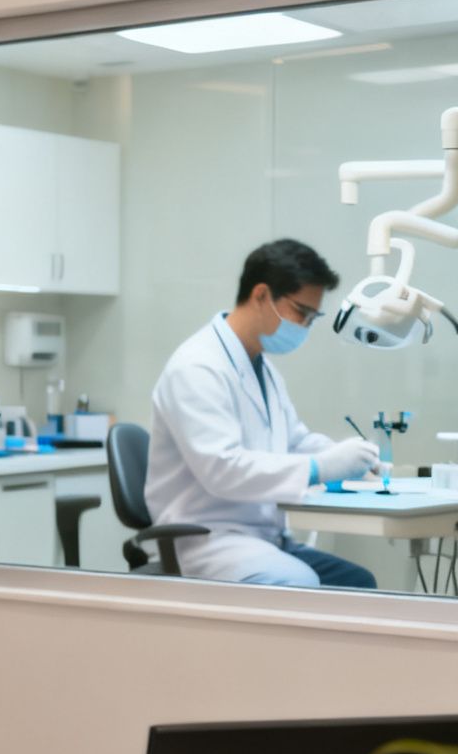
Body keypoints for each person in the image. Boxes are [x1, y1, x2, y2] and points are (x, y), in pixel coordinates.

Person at [146, 238, 382, 588]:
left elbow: (293, 440)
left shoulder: (260, 367)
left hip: (259, 538)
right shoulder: (197, 367)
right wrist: (320, 468)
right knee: (299, 585)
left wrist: (347, 457)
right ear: (261, 296)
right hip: (207, 540)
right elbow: (222, 469)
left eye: (312, 317)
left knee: (359, 584)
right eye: (301, 312)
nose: (305, 326)